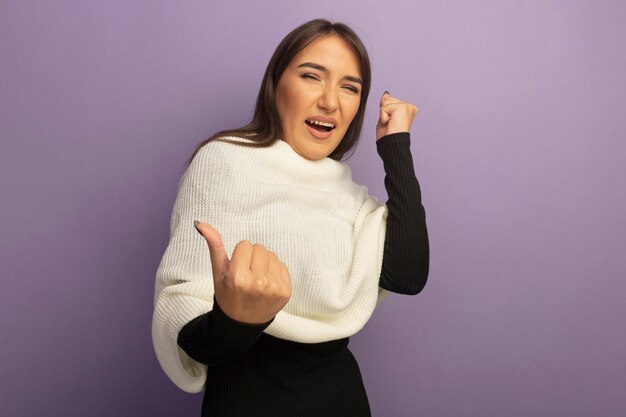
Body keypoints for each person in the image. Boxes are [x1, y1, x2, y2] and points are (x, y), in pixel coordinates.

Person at [152, 18, 429, 417]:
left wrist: (396, 147)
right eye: (312, 76)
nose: (330, 101)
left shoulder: (350, 197)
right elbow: (194, 339)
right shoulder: (224, 161)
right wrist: (235, 318)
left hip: (343, 402)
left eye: (349, 87)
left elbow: (409, 275)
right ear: (276, 85)